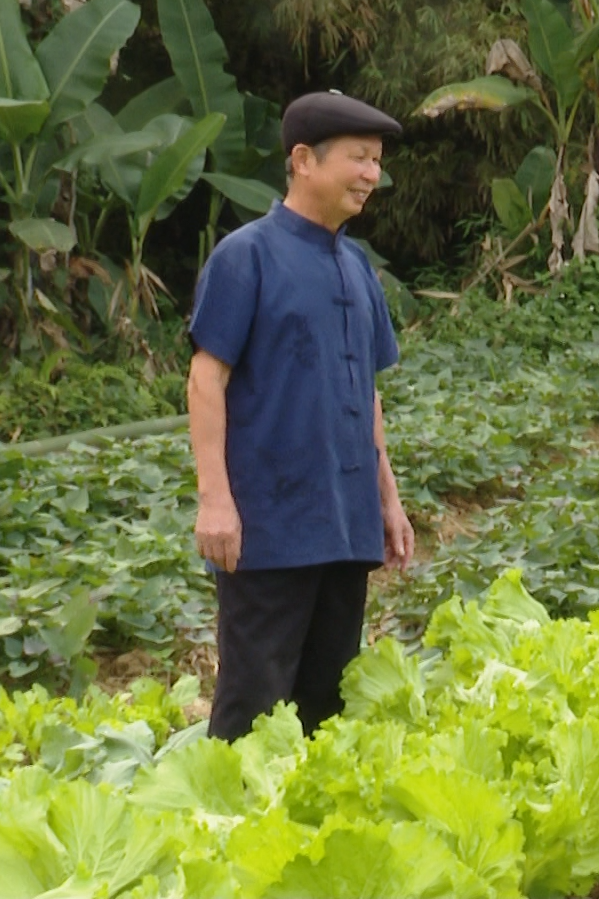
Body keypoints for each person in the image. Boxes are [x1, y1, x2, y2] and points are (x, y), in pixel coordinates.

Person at [187, 90, 415, 741]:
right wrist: (215, 502)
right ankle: (227, 835)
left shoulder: (357, 265)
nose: (372, 174)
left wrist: (388, 500)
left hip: (345, 529)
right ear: (304, 160)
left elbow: (364, 391)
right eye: (358, 158)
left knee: (327, 705)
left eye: (376, 161)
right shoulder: (247, 256)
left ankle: (305, 834)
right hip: (270, 533)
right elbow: (206, 380)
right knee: (253, 707)